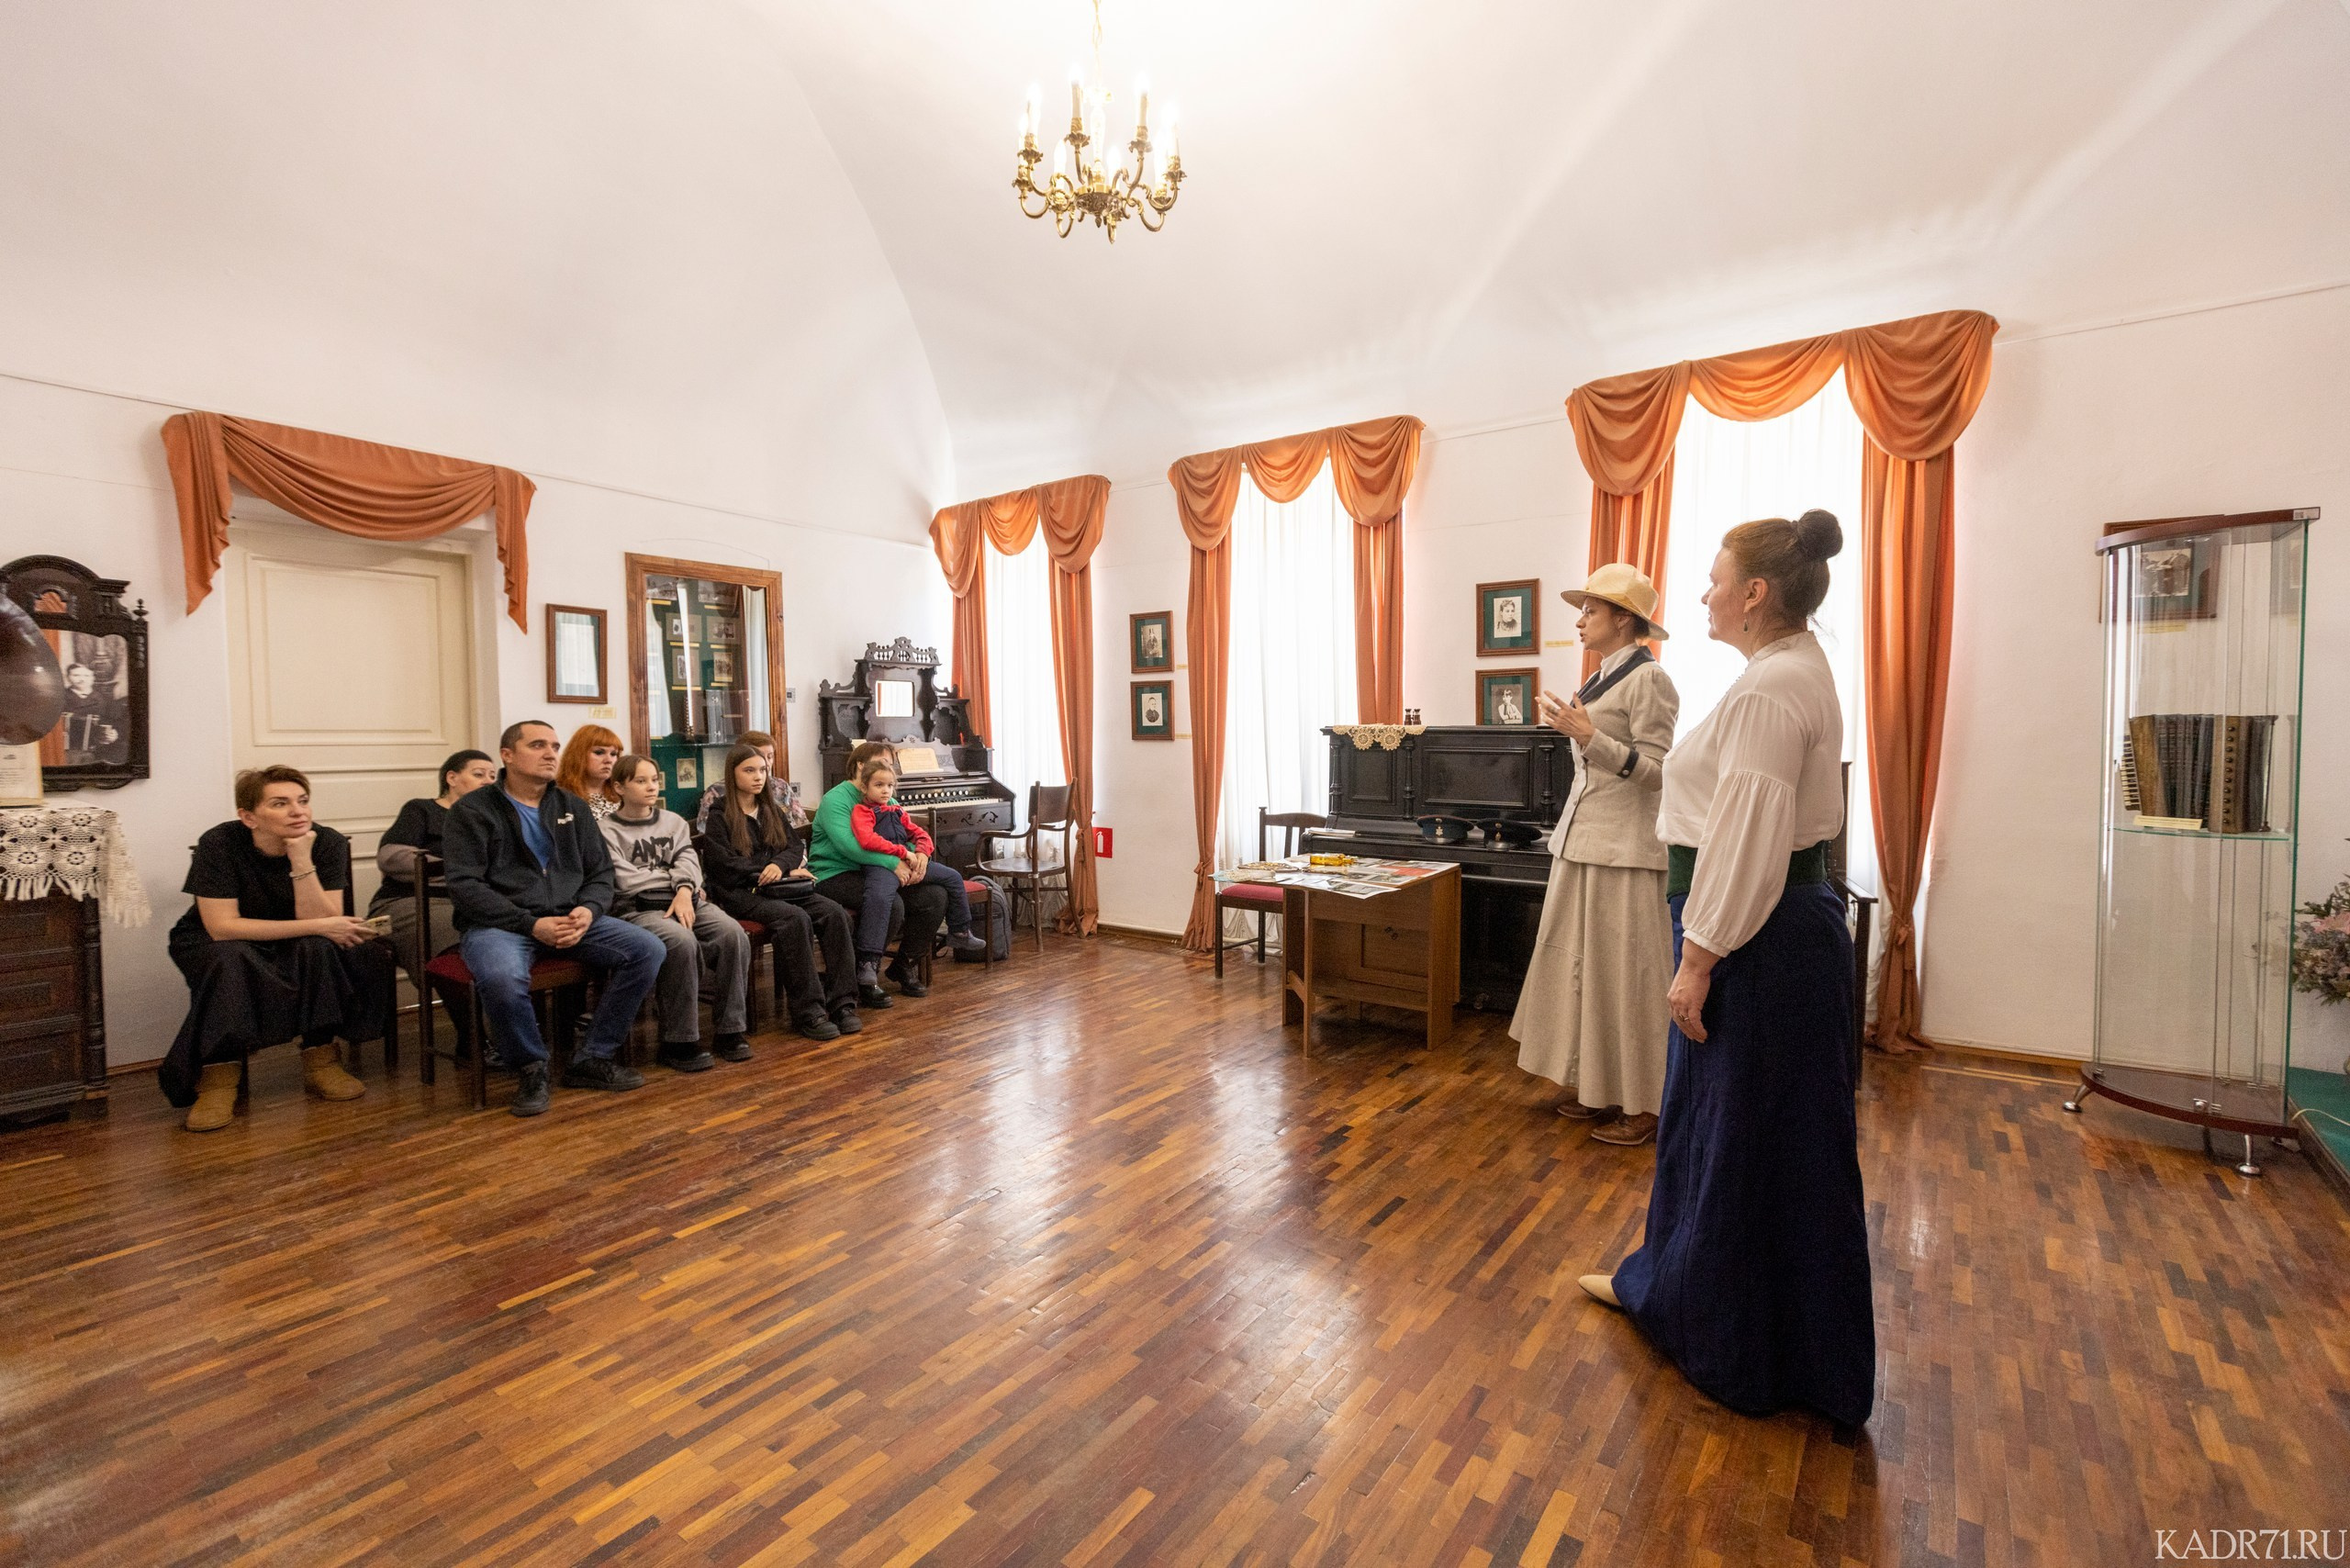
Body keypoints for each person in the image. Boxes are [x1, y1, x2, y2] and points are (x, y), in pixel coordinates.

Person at [1581, 510, 1873, 1429]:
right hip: (1778, 932)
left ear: (1753, 592)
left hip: (1753, 939)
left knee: (1733, 1144)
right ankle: (1716, 1313)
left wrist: (1696, 959)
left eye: (1712, 578)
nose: (1701, 592)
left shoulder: (1766, 689)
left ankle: (1725, 1338)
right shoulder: (1791, 670)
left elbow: (1745, 839)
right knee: (1758, 1145)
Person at [1512, 564, 1680, 1146]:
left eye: (1590, 610)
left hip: (1628, 850)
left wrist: (1590, 737)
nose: (1580, 620)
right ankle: (1597, 1088)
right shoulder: (1599, 677)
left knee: (1630, 979)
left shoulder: (1650, 681)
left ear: (1624, 619)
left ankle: (1646, 1104)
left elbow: (1660, 774)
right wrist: (1577, 729)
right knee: (1584, 973)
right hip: (1583, 840)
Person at [444, 719, 667, 1117]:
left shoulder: (571, 806)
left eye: (555, 745)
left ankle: (593, 1057)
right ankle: (531, 1066)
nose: (551, 753)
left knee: (647, 949)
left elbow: (600, 873)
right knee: (499, 976)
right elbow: (466, 887)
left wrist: (588, 909)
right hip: (502, 925)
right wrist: (530, 924)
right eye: (538, 745)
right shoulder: (472, 811)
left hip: (571, 918)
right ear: (507, 755)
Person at [161, 766, 397, 1132]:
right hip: (216, 941)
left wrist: (301, 859)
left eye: (303, 801)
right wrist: (319, 926)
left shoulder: (327, 842)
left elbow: (322, 920)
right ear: (249, 817)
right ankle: (218, 1078)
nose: (298, 811)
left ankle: (322, 1060)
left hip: (295, 934)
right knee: (231, 958)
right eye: (280, 803)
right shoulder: (219, 843)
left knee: (320, 950)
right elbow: (223, 927)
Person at [697, 742, 862, 1036]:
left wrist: (780, 866)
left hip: (783, 886)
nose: (758, 776)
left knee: (835, 914)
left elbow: (794, 845)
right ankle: (808, 1012)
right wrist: (762, 870)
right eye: (749, 770)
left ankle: (843, 1003)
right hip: (740, 893)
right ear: (732, 774)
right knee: (794, 919)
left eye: (762, 769)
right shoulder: (720, 815)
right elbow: (722, 863)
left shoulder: (771, 809)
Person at [601, 755, 751, 1070]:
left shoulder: (673, 822)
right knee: (681, 941)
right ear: (619, 787)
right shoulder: (605, 831)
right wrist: (676, 887)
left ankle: (730, 1029)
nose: (651, 787)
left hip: (686, 897)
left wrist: (684, 890)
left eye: (654, 780)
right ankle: (679, 1040)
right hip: (637, 908)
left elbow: (688, 861)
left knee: (732, 934)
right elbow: (623, 878)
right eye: (640, 781)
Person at [811, 751, 949, 1001]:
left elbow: (904, 836)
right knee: (892, 904)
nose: (889, 770)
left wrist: (922, 856)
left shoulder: (885, 797)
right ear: (862, 766)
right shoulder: (837, 799)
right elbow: (850, 847)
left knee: (935, 897)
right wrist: (894, 863)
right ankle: (864, 973)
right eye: (884, 762)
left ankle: (903, 964)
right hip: (834, 873)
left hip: (875, 871)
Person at [372, 748, 498, 982]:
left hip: (472, 899)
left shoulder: (493, 820)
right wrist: (461, 872)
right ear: (452, 778)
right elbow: (392, 856)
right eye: (479, 774)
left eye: (492, 776)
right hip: (413, 899)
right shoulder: (422, 809)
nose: (488, 782)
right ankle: (477, 1018)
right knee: (461, 936)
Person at [844, 756, 989, 957]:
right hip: (881, 867)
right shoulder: (862, 811)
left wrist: (922, 852)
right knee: (880, 898)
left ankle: (960, 930)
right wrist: (903, 852)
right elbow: (867, 840)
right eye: (878, 785)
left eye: (889, 785)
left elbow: (920, 833)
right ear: (864, 787)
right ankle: (869, 958)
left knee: (953, 877)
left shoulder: (897, 810)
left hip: (908, 862)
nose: (885, 790)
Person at [693, 729, 806, 835]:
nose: (766, 763)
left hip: (786, 849)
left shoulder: (781, 786)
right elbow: (707, 838)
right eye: (760, 756)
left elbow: (802, 825)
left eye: (770, 757)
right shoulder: (715, 793)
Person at [58, 662, 127, 765]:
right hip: (68, 749)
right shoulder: (59, 698)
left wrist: (115, 733)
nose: (82, 679)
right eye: (76, 675)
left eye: (86, 675)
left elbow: (118, 721)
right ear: (67, 677)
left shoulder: (104, 699)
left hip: (99, 749)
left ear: (92, 678)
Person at [554, 723, 625, 820]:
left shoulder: (622, 795)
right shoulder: (559, 797)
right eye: (599, 752)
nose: (609, 760)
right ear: (579, 755)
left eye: (613, 754)